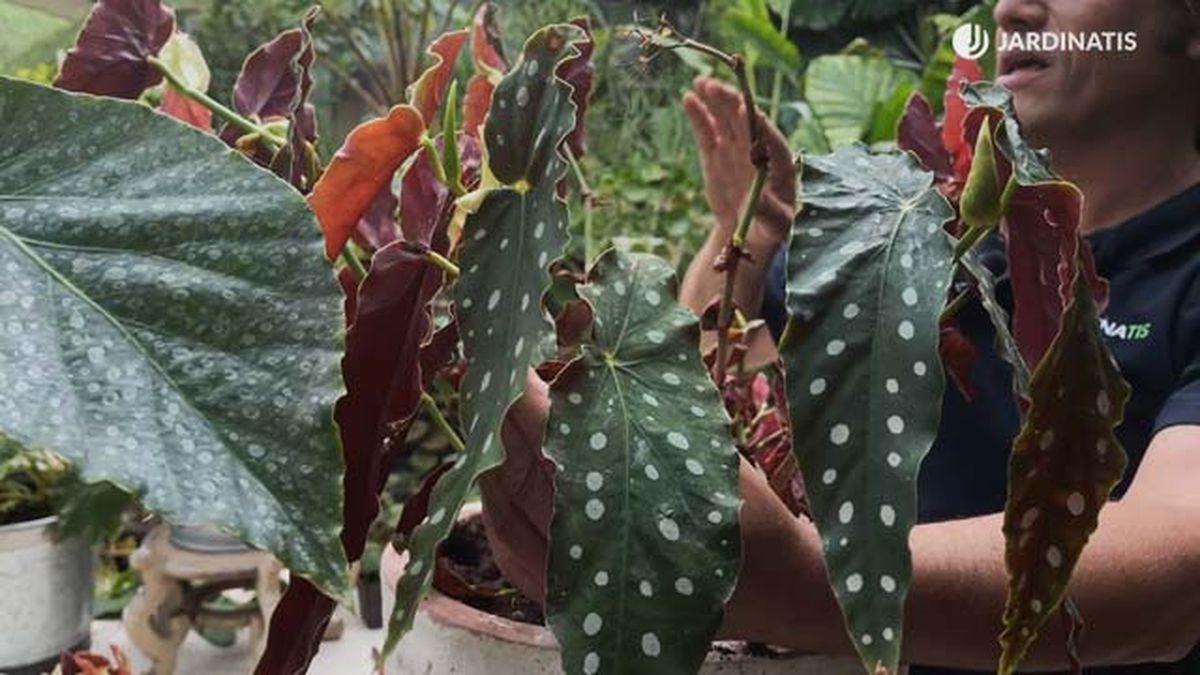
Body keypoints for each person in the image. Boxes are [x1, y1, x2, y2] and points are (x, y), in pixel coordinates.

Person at [478, 0, 1200, 672]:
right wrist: (750, 236)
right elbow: (713, 374)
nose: (1012, 10)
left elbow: (1178, 563)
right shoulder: (913, 233)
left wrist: (807, 584)